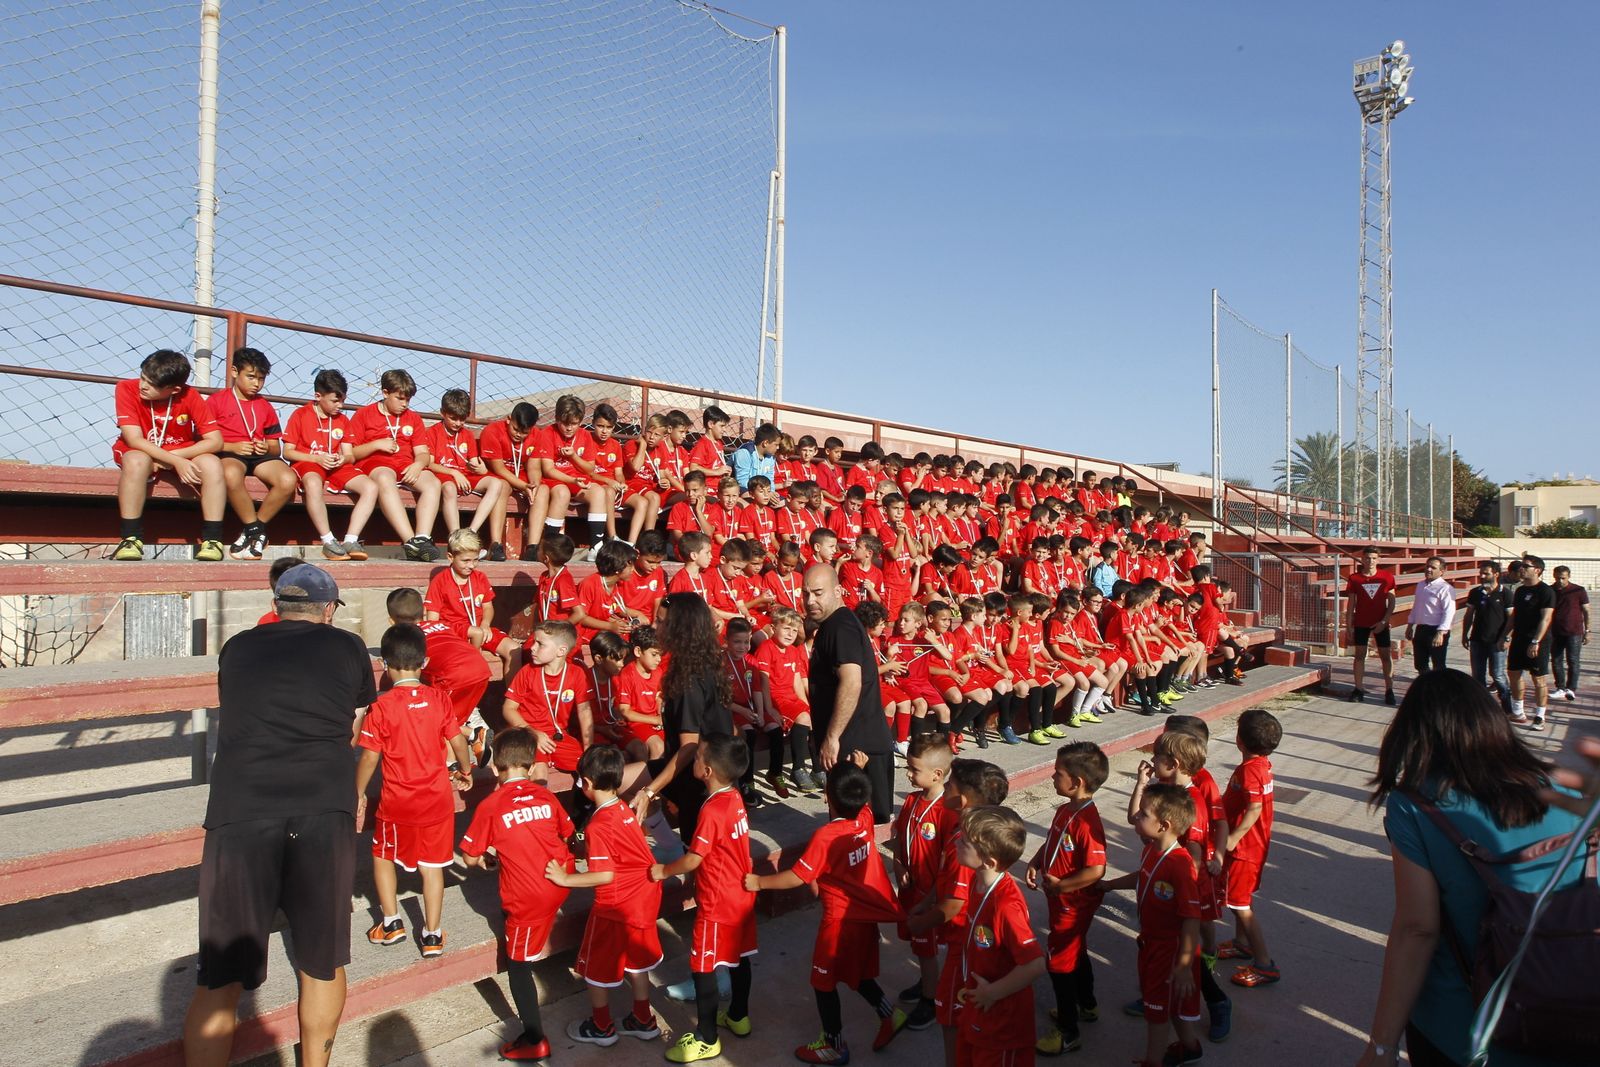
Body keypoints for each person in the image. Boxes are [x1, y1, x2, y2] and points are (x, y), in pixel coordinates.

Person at [183, 564, 376, 1067]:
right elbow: (353, 721)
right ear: (329, 609)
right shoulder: (349, 647)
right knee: (322, 962)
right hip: (322, 805)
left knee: (221, 975)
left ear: (276, 605)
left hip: (241, 809)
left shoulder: (238, 647)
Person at [1357, 669, 1583, 1067]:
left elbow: (1417, 928)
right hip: (1569, 1013)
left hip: (1462, 1027)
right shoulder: (1564, 790)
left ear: (1414, 733)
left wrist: (1381, 1047)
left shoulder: (1415, 806)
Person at [747, 762, 908, 1062]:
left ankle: (833, 1045)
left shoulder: (826, 836)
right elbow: (858, 799)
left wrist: (759, 882)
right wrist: (858, 771)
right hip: (863, 918)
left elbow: (799, 876)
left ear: (827, 797)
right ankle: (890, 1014)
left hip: (839, 922)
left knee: (822, 981)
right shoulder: (864, 817)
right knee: (857, 971)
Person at [354, 623, 473, 957]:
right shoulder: (439, 698)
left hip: (398, 802)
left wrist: (358, 791)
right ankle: (432, 934)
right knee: (433, 867)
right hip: (436, 800)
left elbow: (369, 757)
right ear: (425, 662)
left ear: (384, 664)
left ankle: (391, 923)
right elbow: (458, 740)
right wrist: (465, 770)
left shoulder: (381, 706)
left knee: (382, 856)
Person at [459, 728, 576, 1062]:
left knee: (518, 965)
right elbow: (566, 832)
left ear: (495, 767)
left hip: (529, 897)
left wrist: (488, 856)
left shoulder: (491, 805)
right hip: (562, 880)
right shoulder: (546, 795)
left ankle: (534, 1038)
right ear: (533, 764)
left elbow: (469, 857)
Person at [649, 734, 755, 1064]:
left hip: (717, 901)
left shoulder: (711, 810)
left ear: (707, 771)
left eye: (697, 758)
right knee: (739, 957)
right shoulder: (734, 797)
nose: (693, 761)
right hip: (741, 894)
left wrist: (663, 871)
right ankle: (738, 1015)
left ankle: (707, 1038)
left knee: (704, 967)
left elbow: (694, 858)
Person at [552, 744, 665, 1047]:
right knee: (637, 962)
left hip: (616, 905)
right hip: (643, 899)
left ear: (587, 783)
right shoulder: (624, 809)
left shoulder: (598, 825)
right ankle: (643, 1019)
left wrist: (565, 878)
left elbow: (605, 875)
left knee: (595, 967)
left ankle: (602, 1026)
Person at [1095, 783, 1203, 1067]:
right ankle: (1190, 1047)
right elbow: (1142, 876)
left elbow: (1192, 918)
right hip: (1151, 942)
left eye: (1143, 814)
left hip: (1170, 950)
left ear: (1164, 825)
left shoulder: (1180, 866)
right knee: (1169, 1002)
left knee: (1156, 1010)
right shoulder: (1152, 850)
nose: (1136, 817)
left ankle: (1153, 1061)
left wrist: (1183, 965)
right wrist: (1110, 885)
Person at [1026, 741, 1108, 1056]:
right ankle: (1087, 1004)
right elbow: (1053, 841)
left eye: (1057, 772)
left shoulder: (1088, 822)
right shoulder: (1065, 810)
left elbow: (1096, 870)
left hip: (1072, 906)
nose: (1052, 776)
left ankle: (1068, 1030)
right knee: (1077, 950)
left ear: (1076, 782)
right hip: (1060, 900)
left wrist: (1063, 887)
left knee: (1059, 962)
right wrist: (1037, 861)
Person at [111, 348, 227, 561]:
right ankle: (130, 538)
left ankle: (213, 539)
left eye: (152, 384)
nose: (143, 386)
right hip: (140, 450)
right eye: (142, 377)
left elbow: (215, 441)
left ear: (174, 390)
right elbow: (134, 439)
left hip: (179, 449)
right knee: (137, 461)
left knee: (212, 464)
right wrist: (174, 461)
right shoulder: (126, 388)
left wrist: (173, 458)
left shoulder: (189, 395)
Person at [952, 806, 1047, 1067]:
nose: (957, 842)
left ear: (989, 861)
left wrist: (993, 993)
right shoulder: (977, 882)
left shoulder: (1005, 906)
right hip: (979, 1007)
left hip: (1002, 1022)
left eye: (964, 841)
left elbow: (1035, 964)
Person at [804, 563, 896, 823]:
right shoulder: (835, 624)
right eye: (806, 594)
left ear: (837, 591)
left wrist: (832, 737)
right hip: (856, 742)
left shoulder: (840, 627)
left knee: (859, 827)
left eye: (818, 593)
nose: (810, 601)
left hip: (857, 748)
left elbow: (852, 681)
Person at [206, 347, 297, 561]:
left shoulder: (265, 406)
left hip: (259, 456)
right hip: (229, 452)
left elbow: (275, 447)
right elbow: (203, 440)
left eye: (261, 379)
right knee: (230, 474)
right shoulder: (216, 401)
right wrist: (232, 447)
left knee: (287, 479)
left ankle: (255, 529)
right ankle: (255, 530)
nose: (256, 383)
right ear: (234, 372)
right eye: (251, 377)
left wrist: (265, 447)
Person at [891, 733, 956, 1032]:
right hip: (909, 888)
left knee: (927, 949)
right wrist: (898, 865)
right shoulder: (911, 801)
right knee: (919, 946)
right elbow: (898, 839)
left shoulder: (947, 812)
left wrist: (931, 896)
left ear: (937, 774)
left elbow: (947, 863)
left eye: (914, 769)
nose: (908, 774)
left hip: (928, 896)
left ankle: (931, 1001)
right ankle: (926, 982)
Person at [1216, 708, 1282, 989]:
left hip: (1245, 849)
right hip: (1253, 846)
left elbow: (1254, 808)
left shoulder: (1250, 770)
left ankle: (1264, 964)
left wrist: (1233, 837)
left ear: (1239, 740)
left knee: (1240, 904)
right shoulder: (1261, 764)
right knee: (1239, 898)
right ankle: (1241, 943)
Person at [347, 368, 442, 562]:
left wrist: (418, 465)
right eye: (400, 398)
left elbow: (423, 453)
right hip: (376, 463)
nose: (404, 404)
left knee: (433, 482)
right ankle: (410, 541)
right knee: (384, 477)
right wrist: (375, 445)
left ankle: (422, 538)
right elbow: (352, 453)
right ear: (385, 393)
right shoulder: (363, 414)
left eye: (408, 399)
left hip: (405, 464)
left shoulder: (413, 418)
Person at [281, 369, 377, 560]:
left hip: (336, 467)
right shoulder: (300, 415)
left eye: (343, 401)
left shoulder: (343, 420)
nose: (340, 406)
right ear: (318, 396)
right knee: (313, 482)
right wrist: (317, 459)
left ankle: (351, 539)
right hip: (309, 463)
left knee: (371, 487)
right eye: (335, 401)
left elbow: (349, 454)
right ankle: (328, 540)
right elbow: (288, 452)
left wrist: (343, 459)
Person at [502, 620, 593, 784]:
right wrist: (532, 732)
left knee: (592, 766)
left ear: (561, 651)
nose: (532, 648)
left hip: (556, 735)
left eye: (540, 644)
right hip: (526, 734)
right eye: (534, 642)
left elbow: (585, 712)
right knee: (540, 772)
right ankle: (540, 798)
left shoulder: (576, 674)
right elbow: (508, 709)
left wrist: (589, 748)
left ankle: (584, 798)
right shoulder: (527, 672)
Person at [427, 387, 508, 558]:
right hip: (445, 474)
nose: (458, 423)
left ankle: (471, 532)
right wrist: (453, 473)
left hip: (465, 476)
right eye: (453, 418)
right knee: (449, 488)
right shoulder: (433, 432)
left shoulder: (467, 435)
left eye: (462, 419)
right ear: (442, 413)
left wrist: (481, 468)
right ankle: (456, 538)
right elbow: (430, 463)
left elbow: (474, 462)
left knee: (496, 483)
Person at [1508, 555, 1558, 730]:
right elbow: (1514, 616)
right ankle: (1518, 712)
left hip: (1538, 641)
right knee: (1514, 674)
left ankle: (1539, 716)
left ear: (1537, 570)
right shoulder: (1520, 591)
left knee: (1538, 679)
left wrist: (1535, 641)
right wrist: (1504, 636)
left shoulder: (1546, 591)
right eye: (1521, 566)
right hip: (1518, 639)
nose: (1521, 569)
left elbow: (1546, 619)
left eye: (1525, 566)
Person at [1345, 546, 1397, 705]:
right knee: (1359, 655)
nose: (1371, 561)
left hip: (1380, 623)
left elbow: (1392, 602)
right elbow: (1351, 604)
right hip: (1361, 622)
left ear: (1378, 560)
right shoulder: (1354, 578)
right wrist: (1348, 625)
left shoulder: (1387, 577)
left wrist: (1384, 621)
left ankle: (1389, 690)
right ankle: (1358, 689)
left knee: (1385, 656)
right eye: (1367, 558)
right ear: (1362, 559)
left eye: (1374, 558)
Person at [1460, 560, 1513, 711]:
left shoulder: (1505, 593)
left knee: (1498, 675)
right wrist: (1464, 635)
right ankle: (1482, 708)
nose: (1482, 576)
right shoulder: (1475, 592)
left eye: (1486, 573)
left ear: (1496, 574)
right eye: (1481, 573)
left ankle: (1507, 706)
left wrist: (1506, 637)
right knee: (1478, 676)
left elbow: (1511, 618)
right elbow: (1469, 615)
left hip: (1497, 641)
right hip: (1477, 640)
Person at [1405, 556, 1456, 674]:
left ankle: (1439, 685)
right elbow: (1416, 606)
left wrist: (1441, 633)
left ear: (1442, 571)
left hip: (1436, 630)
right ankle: (1426, 683)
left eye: (1433, 567)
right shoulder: (1420, 585)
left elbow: (1449, 612)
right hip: (1421, 629)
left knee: (1438, 665)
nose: (1428, 569)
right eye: (1427, 566)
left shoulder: (1445, 588)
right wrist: (1410, 625)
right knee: (1420, 664)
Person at [1550, 565, 1589, 702]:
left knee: (1573, 660)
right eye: (1557, 578)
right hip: (1555, 631)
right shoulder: (1550, 590)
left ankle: (1571, 688)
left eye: (1563, 578)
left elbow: (1586, 611)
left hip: (1574, 631)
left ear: (1569, 577)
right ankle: (1560, 687)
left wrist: (1587, 631)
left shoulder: (1578, 590)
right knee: (1556, 660)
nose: (1560, 581)